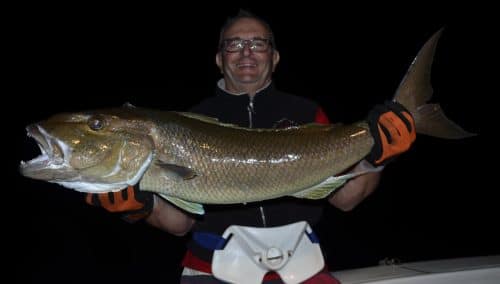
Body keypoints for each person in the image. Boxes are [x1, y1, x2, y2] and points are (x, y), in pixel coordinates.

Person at [86, 10, 416, 283]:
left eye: (258, 43)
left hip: (302, 266)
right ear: (219, 58)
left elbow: (345, 199)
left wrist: (378, 158)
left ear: (274, 57)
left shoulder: (308, 115)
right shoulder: (192, 121)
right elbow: (179, 224)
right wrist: (141, 207)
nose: (247, 51)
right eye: (234, 44)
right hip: (213, 269)